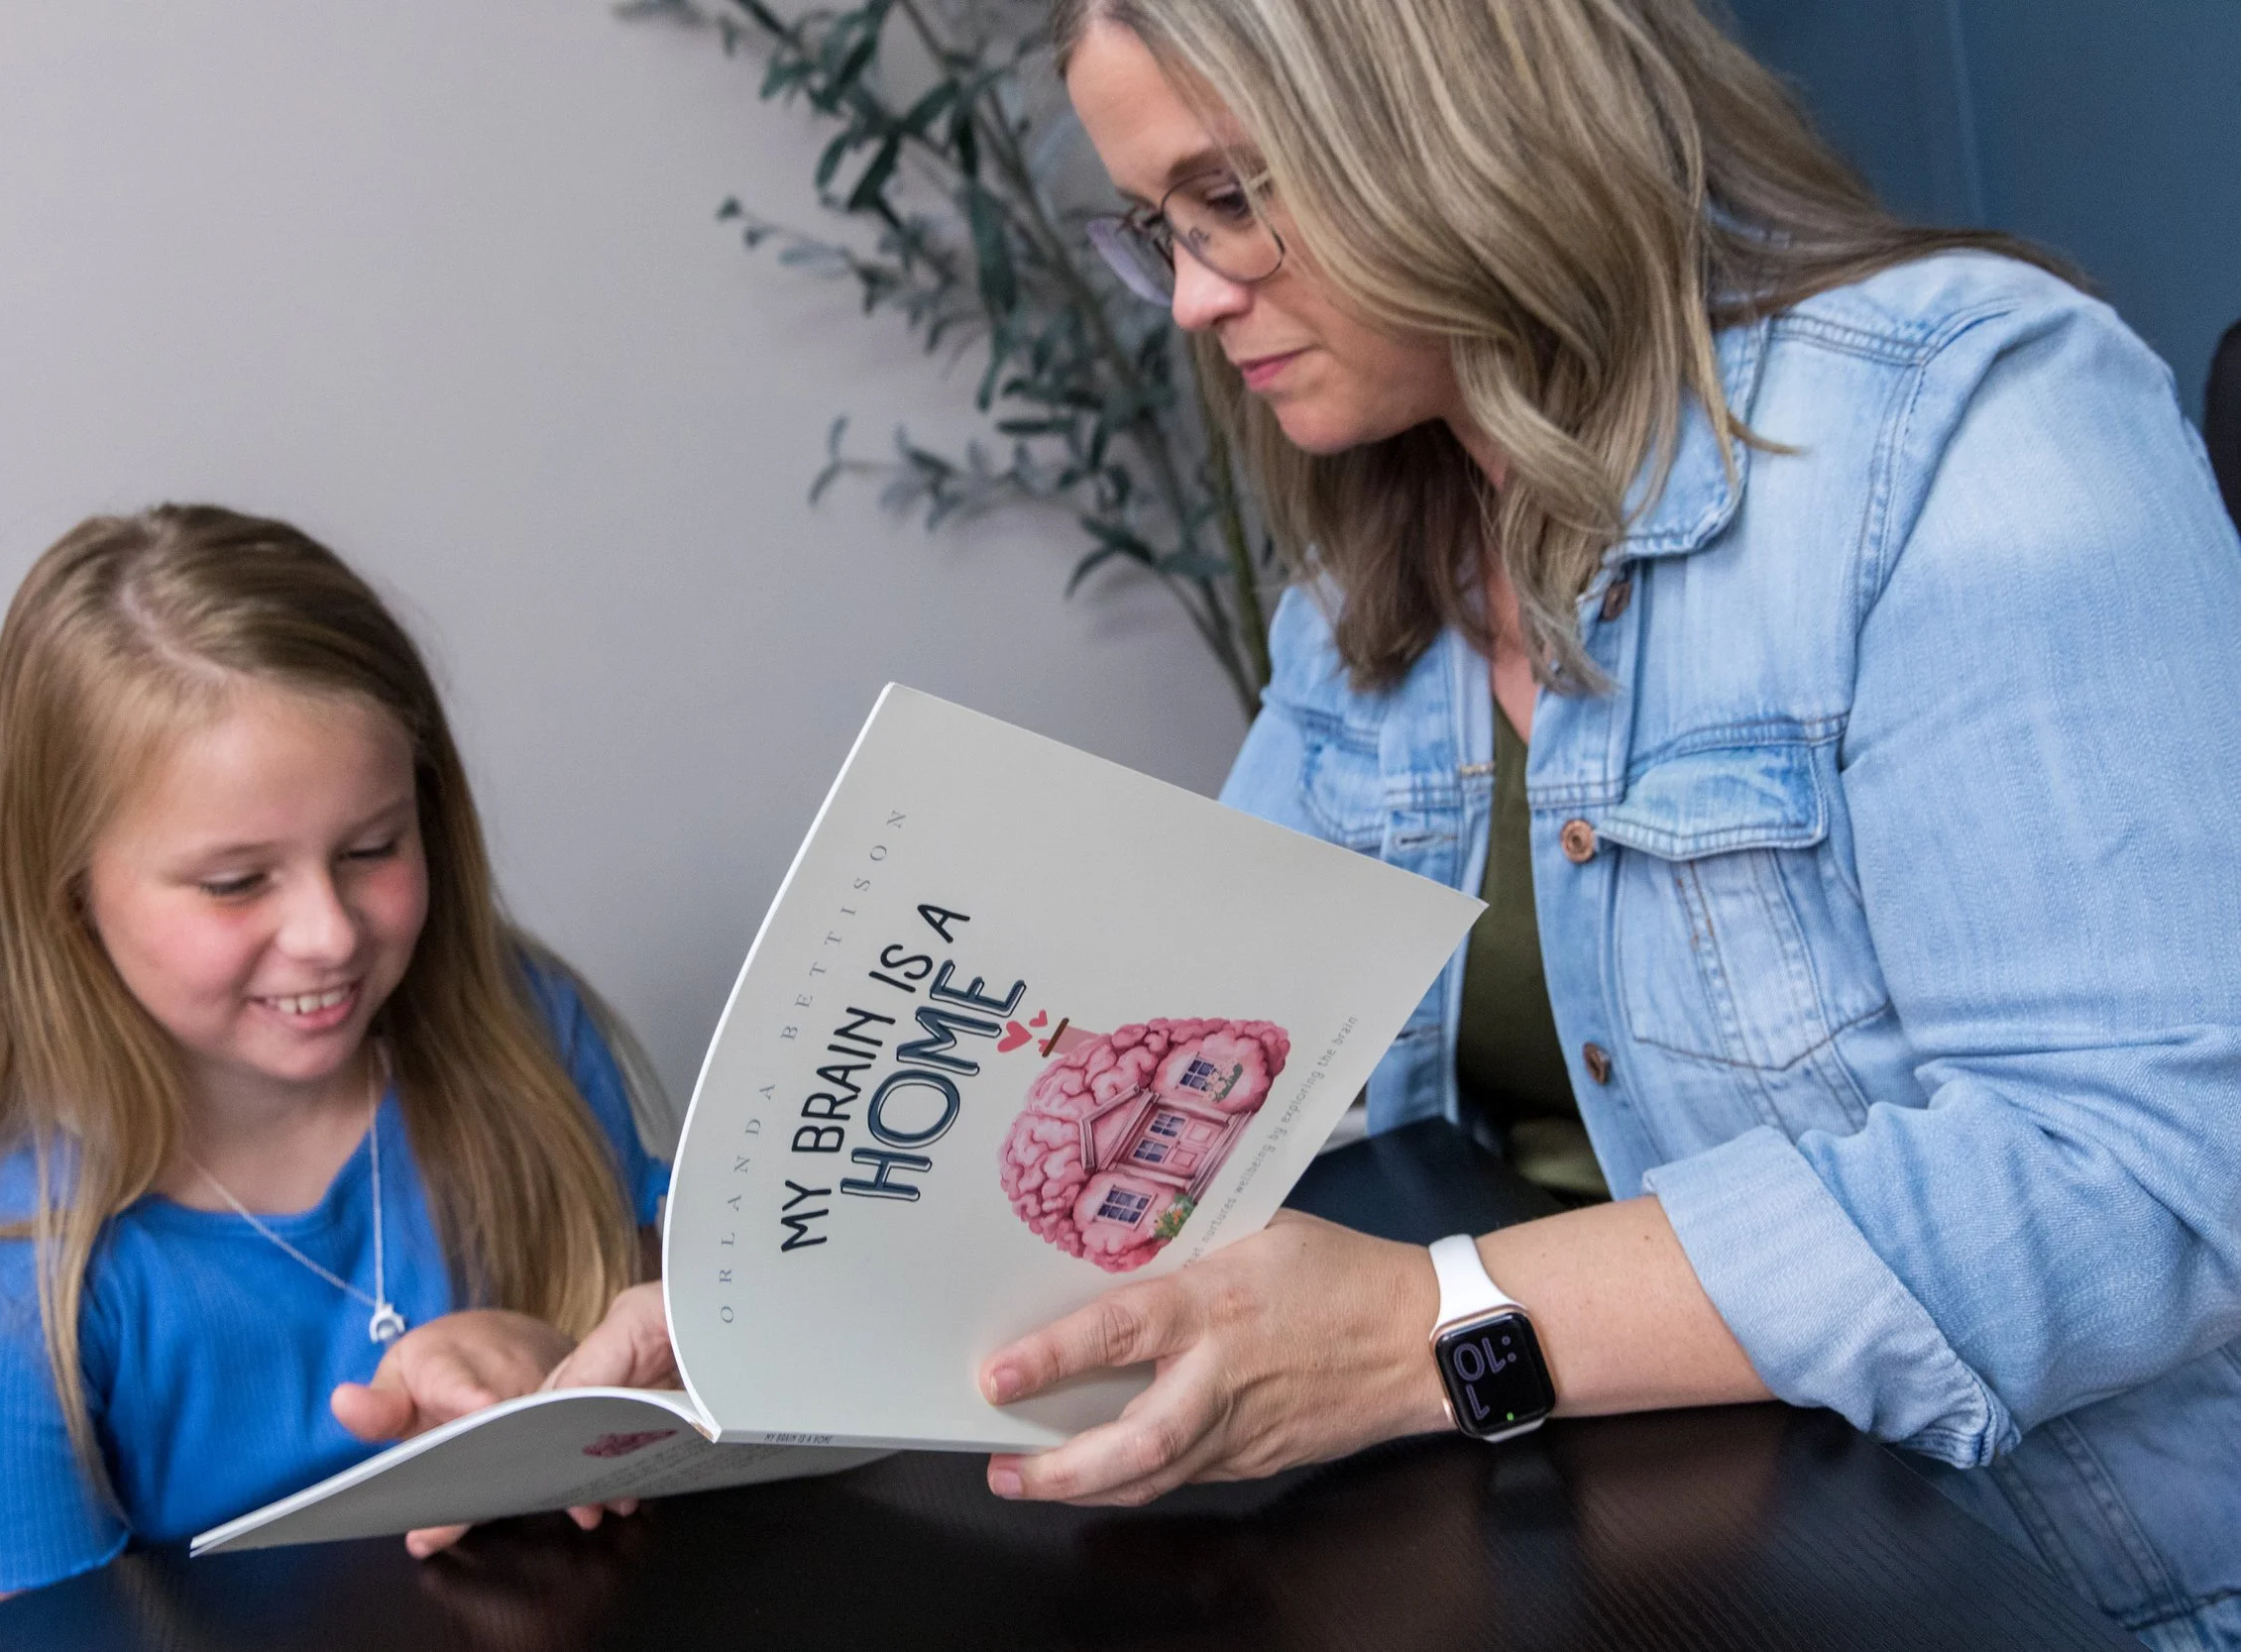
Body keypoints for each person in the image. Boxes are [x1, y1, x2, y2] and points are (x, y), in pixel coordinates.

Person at [946, 3, 2241, 1648]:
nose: (1198, 298)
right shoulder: (1374, 568)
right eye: (1160, 228)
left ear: (1454, 114)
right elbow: (1202, 1066)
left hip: (2064, 1579)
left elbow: (2146, 1178)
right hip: (1638, 1531)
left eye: (1237, 199)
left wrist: (1433, 1325)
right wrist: (772, 1322)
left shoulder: (1967, 419)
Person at [0, 506, 670, 1629]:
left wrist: (560, 1364)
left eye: (372, 847)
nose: (328, 931)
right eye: (236, 882)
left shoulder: (524, 1034)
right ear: (71, 893)